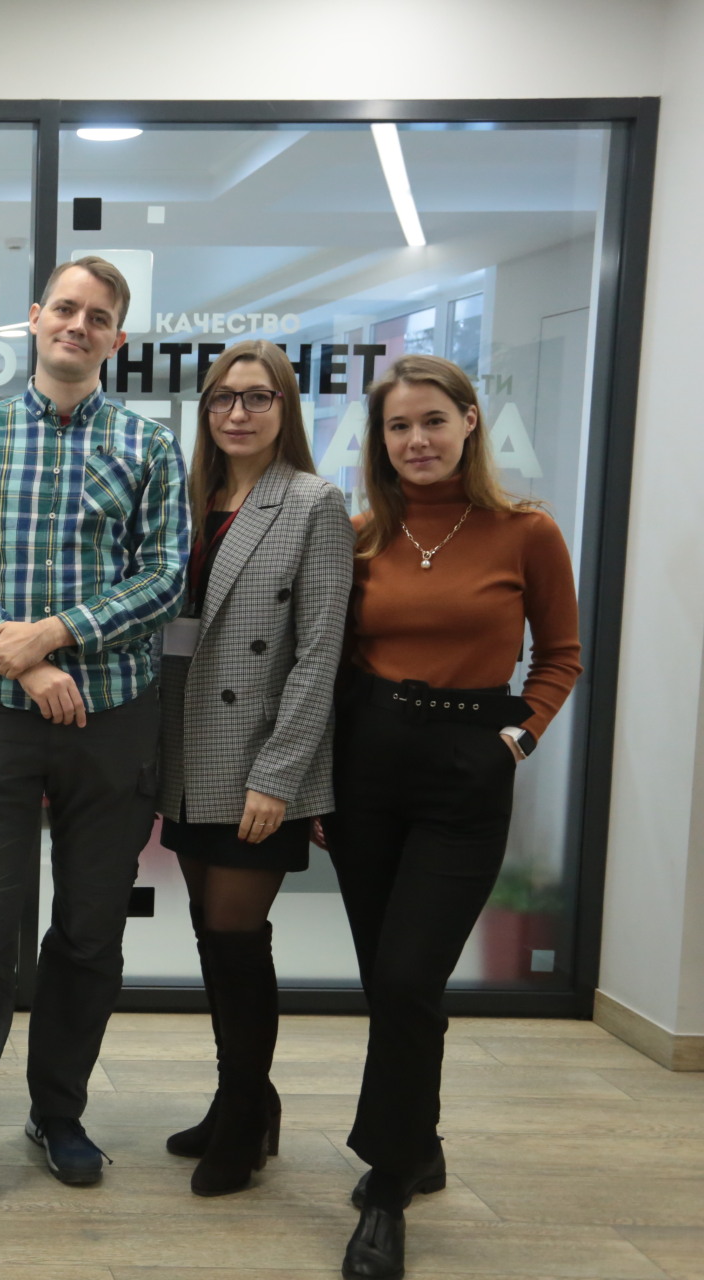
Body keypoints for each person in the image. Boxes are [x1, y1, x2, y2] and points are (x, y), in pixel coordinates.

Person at [0, 257, 189, 1233]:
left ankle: (58, 1113)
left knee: (90, 933)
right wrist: (22, 665)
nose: (78, 324)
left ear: (117, 339)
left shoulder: (148, 446)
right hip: (1, 715)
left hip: (114, 718)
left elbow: (165, 576)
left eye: (98, 316)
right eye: (65, 308)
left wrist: (57, 635)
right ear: (34, 318)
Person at [327, 354, 580, 1280]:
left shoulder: (526, 532)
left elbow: (560, 653)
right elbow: (331, 664)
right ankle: (420, 1142)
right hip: (367, 766)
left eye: (433, 420)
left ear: (471, 422)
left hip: (466, 773)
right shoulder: (361, 536)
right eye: (399, 426)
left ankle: (387, 1188)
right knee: (395, 985)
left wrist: (517, 738)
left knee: (407, 975)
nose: (417, 440)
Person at [154, 339, 352, 1196]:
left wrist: (279, 775)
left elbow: (319, 652)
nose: (237, 413)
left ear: (285, 408)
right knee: (211, 933)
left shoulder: (313, 502)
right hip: (187, 747)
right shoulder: (190, 501)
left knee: (238, 941)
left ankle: (243, 1118)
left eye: (257, 397)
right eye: (223, 398)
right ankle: (243, 1097)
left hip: (257, 756)